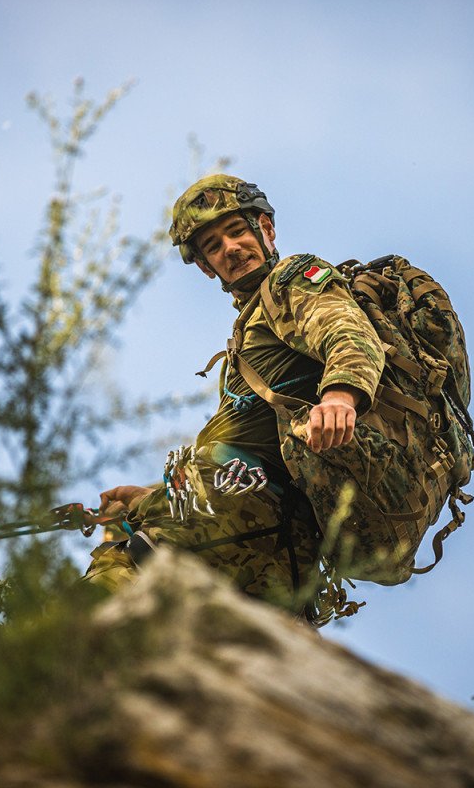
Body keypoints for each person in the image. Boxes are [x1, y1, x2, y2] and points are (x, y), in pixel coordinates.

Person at [84, 175, 385, 617]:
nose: (229, 248)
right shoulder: (251, 331)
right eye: (212, 244)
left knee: (102, 598)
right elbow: (244, 450)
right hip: (265, 539)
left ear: (266, 229)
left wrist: (340, 396)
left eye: (238, 231)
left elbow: (346, 331)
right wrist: (145, 495)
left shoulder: (291, 281)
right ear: (206, 266)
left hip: (242, 519)